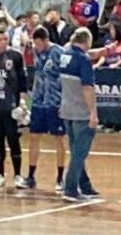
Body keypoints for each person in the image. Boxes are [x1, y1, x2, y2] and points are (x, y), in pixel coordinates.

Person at [57, 27, 99, 202]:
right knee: (80, 152)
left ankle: (85, 185)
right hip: (81, 112)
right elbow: (87, 88)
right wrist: (93, 112)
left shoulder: (65, 56)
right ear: (87, 41)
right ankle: (70, 188)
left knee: (76, 150)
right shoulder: (83, 60)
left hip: (67, 109)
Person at [24, 26, 66, 192]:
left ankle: (60, 177)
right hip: (39, 101)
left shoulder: (59, 53)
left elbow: (66, 78)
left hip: (55, 101)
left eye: (39, 44)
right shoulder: (35, 51)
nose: (37, 47)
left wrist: (64, 102)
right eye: (35, 44)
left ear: (46, 40)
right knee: (34, 136)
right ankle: (31, 176)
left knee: (59, 138)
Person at [0, 28, 27, 189]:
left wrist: (22, 102)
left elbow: (22, 81)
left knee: (13, 140)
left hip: (11, 107)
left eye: (5, 39)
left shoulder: (16, 56)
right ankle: (0, 174)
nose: (2, 42)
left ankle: (18, 175)